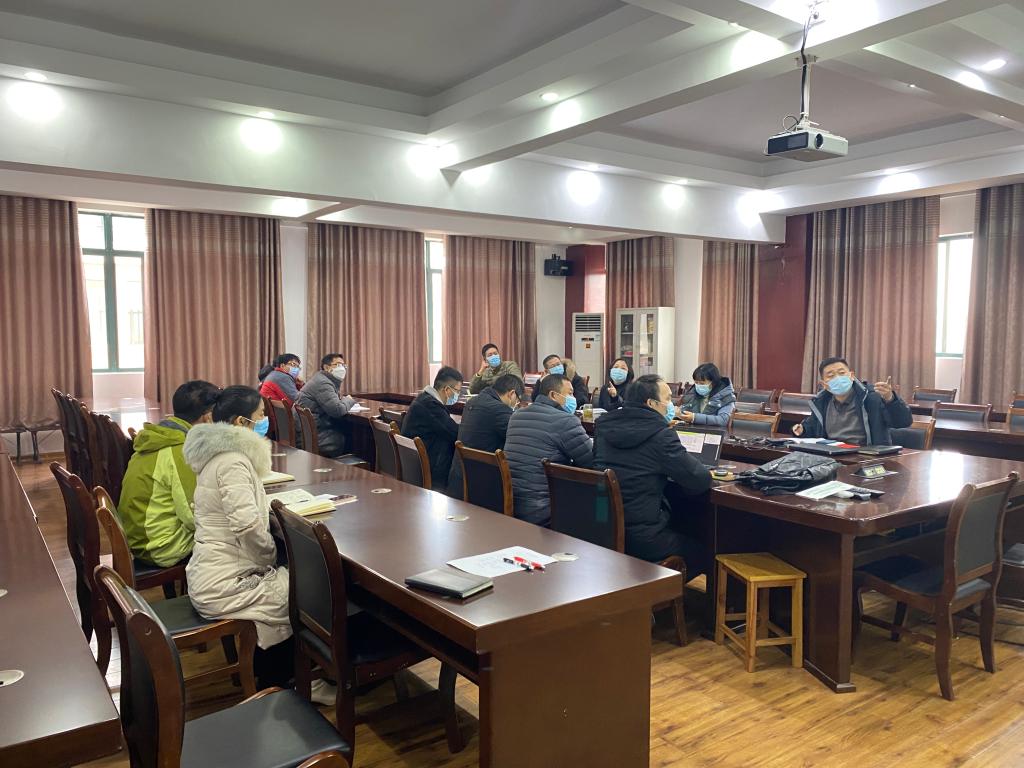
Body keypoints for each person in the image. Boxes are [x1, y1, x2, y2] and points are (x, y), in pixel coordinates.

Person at [182, 385, 332, 701]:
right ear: (241, 422)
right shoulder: (232, 461)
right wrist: (271, 555)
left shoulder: (216, 455)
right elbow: (247, 525)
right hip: (224, 582)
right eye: (261, 415)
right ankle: (292, 681)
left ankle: (280, 674)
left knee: (293, 579)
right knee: (304, 590)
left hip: (213, 570)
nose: (265, 421)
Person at [594, 374, 712, 567]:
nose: (671, 404)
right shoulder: (660, 434)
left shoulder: (603, 427)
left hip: (603, 528)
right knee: (705, 548)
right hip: (643, 537)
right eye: (667, 398)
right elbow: (699, 479)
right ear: (651, 403)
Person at [117, 380, 219, 567]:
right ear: (209, 417)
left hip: (138, 536)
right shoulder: (181, 449)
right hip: (160, 546)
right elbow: (194, 515)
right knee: (234, 536)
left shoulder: (164, 434)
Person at [504, 374, 594, 526]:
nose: (573, 398)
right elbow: (590, 462)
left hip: (511, 501)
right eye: (570, 393)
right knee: (599, 501)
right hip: (544, 508)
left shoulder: (517, 415)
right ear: (553, 395)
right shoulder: (566, 421)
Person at [792, 357, 911, 445]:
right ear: (824, 384)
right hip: (831, 456)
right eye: (831, 375)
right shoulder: (821, 402)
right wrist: (802, 430)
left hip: (865, 457)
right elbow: (813, 428)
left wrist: (890, 399)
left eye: (841, 373)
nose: (838, 378)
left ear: (851, 375)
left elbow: (903, 422)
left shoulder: (872, 397)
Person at [447, 373, 523, 497]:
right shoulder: (500, 410)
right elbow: (517, 441)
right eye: (518, 400)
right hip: (482, 487)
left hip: (459, 479)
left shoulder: (473, 401)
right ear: (511, 394)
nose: (517, 404)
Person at [402, 366, 464, 494]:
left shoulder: (423, 399)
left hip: (414, 466)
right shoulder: (431, 406)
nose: (458, 395)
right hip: (429, 470)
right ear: (447, 389)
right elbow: (455, 433)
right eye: (457, 391)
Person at [294, 353, 355, 457]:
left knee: (347, 431)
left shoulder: (321, 378)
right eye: (338, 364)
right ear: (326, 367)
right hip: (313, 436)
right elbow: (338, 410)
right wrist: (348, 400)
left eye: (343, 365)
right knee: (351, 435)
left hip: (306, 432)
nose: (342, 368)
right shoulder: (323, 383)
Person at [677, 362, 736, 427]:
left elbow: (722, 420)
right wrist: (678, 414)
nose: (698, 386)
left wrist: (695, 418)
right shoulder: (692, 393)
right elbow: (685, 411)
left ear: (713, 382)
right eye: (696, 382)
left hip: (713, 431)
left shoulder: (726, 396)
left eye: (702, 383)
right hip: (693, 430)